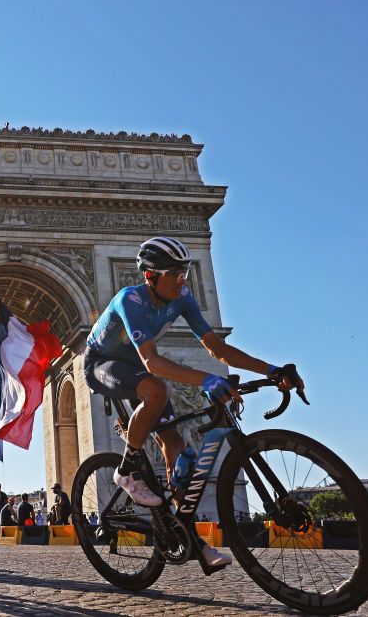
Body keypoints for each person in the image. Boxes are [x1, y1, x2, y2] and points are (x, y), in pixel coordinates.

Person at [84, 236, 304, 569]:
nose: (182, 279)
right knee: (157, 388)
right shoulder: (130, 299)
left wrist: (272, 369)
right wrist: (206, 379)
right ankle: (126, 471)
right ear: (150, 276)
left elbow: (218, 349)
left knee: (177, 448)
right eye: (173, 273)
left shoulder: (183, 296)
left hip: (138, 369)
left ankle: (188, 538)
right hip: (103, 364)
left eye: (184, 271)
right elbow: (153, 364)